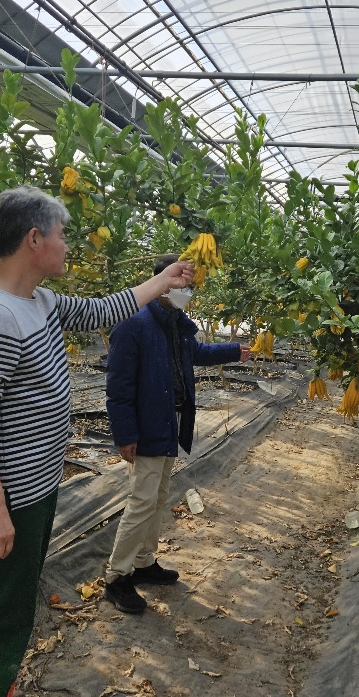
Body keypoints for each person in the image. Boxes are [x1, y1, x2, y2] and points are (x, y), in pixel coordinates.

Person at [0, 187, 194, 697]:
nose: (67, 246)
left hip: (34, 488)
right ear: (34, 239)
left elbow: (101, 309)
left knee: (13, 603)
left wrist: (164, 280)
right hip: (11, 497)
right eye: (61, 235)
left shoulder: (39, 301)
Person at [103, 254, 251, 613]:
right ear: (162, 284)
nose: (188, 292)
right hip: (146, 428)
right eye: (182, 285)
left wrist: (235, 350)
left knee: (158, 497)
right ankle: (117, 576)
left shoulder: (175, 324)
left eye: (191, 287)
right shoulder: (133, 325)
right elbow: (118, 388)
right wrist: (125, 434)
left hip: (169, 423)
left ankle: (143, 562)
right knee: (141, 501)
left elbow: (196, 352)